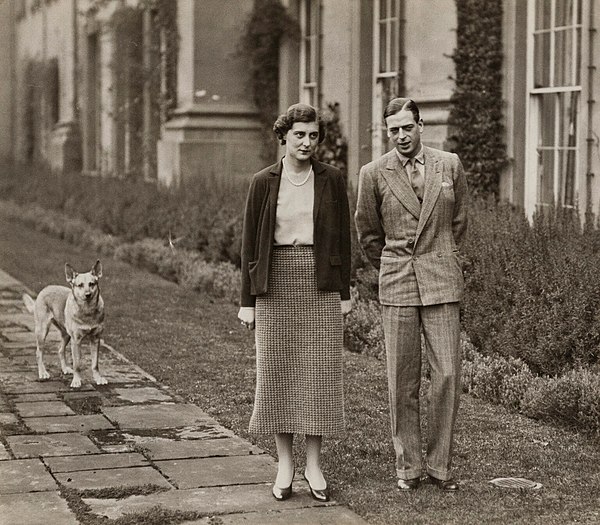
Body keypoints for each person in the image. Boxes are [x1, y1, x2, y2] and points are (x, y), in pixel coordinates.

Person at [238, 103, 352, 502]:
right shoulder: (263, 181)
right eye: (299, 134)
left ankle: (314, 465)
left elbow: (343, 241)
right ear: (283, 136)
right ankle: (285, 463)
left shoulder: (332, 180)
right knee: (278, 370)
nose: (307, 142)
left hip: (319, 282)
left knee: (318, 372)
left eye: (313, 135)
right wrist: (247, 301)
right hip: (275, 282)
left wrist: (345, 293)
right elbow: (250, 245)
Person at [355, 97, 468, 491]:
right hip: (399, 282)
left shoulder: (449, 164)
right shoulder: (373, 173)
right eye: (393, 130)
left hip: (442, 281)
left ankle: (440, 466)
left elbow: (458, 223)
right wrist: (393, 264)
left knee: (447, 375)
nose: (401, 136)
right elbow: (368, 234)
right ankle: (408, 467)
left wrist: (441, 257)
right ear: (387, 132)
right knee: (402, 380)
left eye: (407, 127)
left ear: (421, 125)